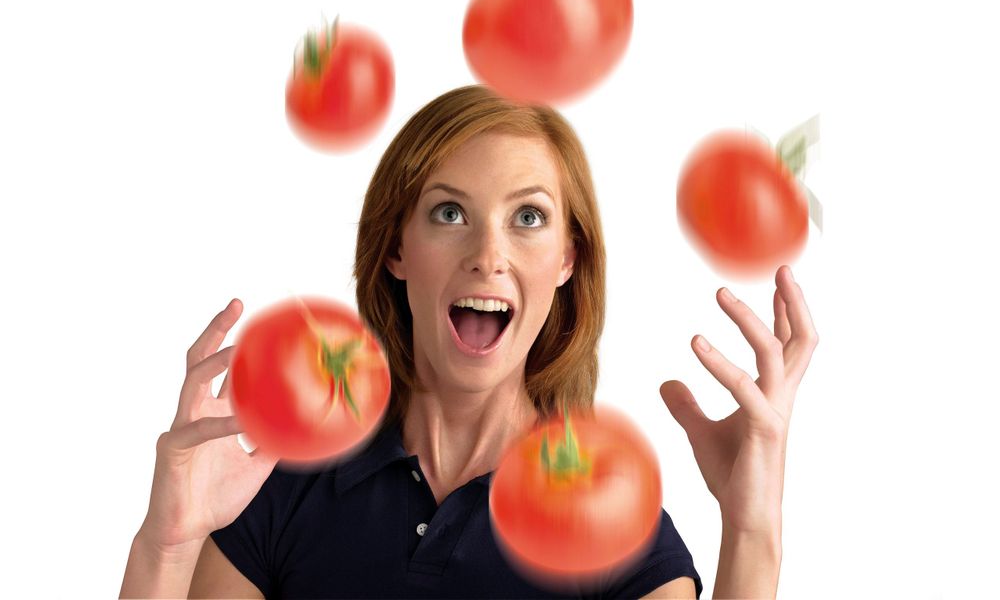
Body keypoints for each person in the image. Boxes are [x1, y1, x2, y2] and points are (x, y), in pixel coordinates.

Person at [120, 85, 818, 599]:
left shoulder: (614, 526)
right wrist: (167, 543)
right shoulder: (284, 484)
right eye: (450, 212)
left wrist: (753, 529)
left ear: (568, 262)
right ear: (397, 248)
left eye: (529, 217)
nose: (489, 254)